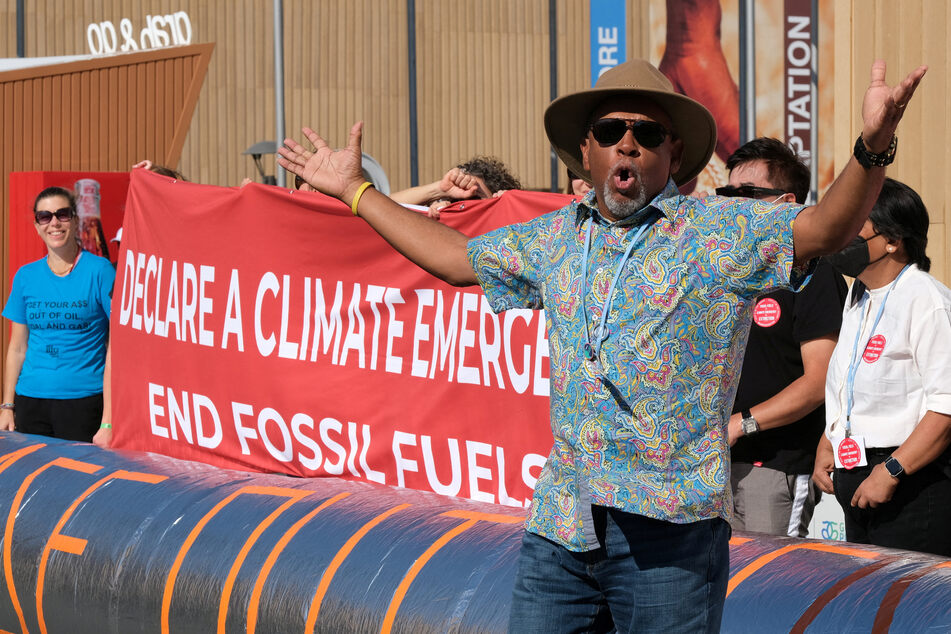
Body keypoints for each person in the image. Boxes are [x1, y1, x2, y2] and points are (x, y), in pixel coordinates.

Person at [278, 58, 925, 631]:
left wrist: (872, 144)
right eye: (612, 131)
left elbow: (825, 226)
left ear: (671, 154)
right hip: (562, 528)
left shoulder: (718, 232)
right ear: (584, 153)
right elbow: (453, 258)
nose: (628, 144)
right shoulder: (555, 238)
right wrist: (356, 193)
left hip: (668, 538)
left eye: (647, 135)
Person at [813, 178, 951, 557]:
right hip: (859, 477)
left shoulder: (926, 299)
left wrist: (891, 470)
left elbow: (946, 406)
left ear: (892, 240)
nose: (842, 234)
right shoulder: (860, 294)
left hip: (910, 484)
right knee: (868, 610)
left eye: (856, 225)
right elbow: (851, 384)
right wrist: (830, 441)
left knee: (910, 609)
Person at [718, 138, 847, 537]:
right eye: (727, 192)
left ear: (785, 202)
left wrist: (742, 424)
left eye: (747, 193)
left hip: (776, 468)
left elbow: (820, 380)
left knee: (763, 591)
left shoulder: (813, 273)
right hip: (711, 466)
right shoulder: (724, 268)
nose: (732, 203)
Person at [1, 187, 116, 444]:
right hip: (30, 403)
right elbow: (17, 347)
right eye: (45, 216)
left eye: (62, 214)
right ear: (37, 226)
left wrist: (108, 420)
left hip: (84, 403)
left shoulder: (100, 271)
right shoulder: (25, 276)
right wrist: (7, 406)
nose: (54, 222)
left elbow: (117, 348)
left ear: (75, 220)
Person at [390, 156, 521, 218]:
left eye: (474, 199)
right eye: (454, 201)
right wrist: (439, 190)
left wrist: (511, 210)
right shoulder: (433, 228)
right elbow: (378, 211)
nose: (463, 206)